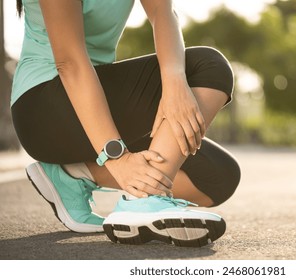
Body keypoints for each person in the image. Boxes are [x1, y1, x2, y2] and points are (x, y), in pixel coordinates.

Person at [11, 0, 241, 248]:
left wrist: (174, 83)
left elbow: (163, 13)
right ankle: (146, 201)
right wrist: (117, 159)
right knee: (208, 66)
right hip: (44, 109)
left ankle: (73, 173)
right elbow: (70, 63)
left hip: (98, 101)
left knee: (218, 176)